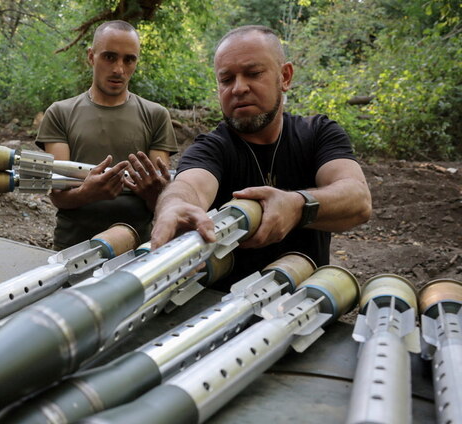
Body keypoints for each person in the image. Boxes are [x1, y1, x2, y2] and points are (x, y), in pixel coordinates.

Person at [151, 25, 372, 284]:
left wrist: (298, 206)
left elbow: (358, 200)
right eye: (226, 79)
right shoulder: (211, 148)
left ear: (285, 76)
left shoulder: (319, 133)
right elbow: (188, 187)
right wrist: (173, 207)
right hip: (221, 309)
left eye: (253, 73)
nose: (238, 88)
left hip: (307, 303)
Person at [36, 20, 178, 250]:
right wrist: (87, 194)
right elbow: (58, 194)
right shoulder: (60, 112)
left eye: (129, 59)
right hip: (73, 246)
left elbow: (160, 201)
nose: (119, 69)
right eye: (109, 57)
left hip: (139, 249)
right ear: (91, 57)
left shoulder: (156, 115)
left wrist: (154, 193)